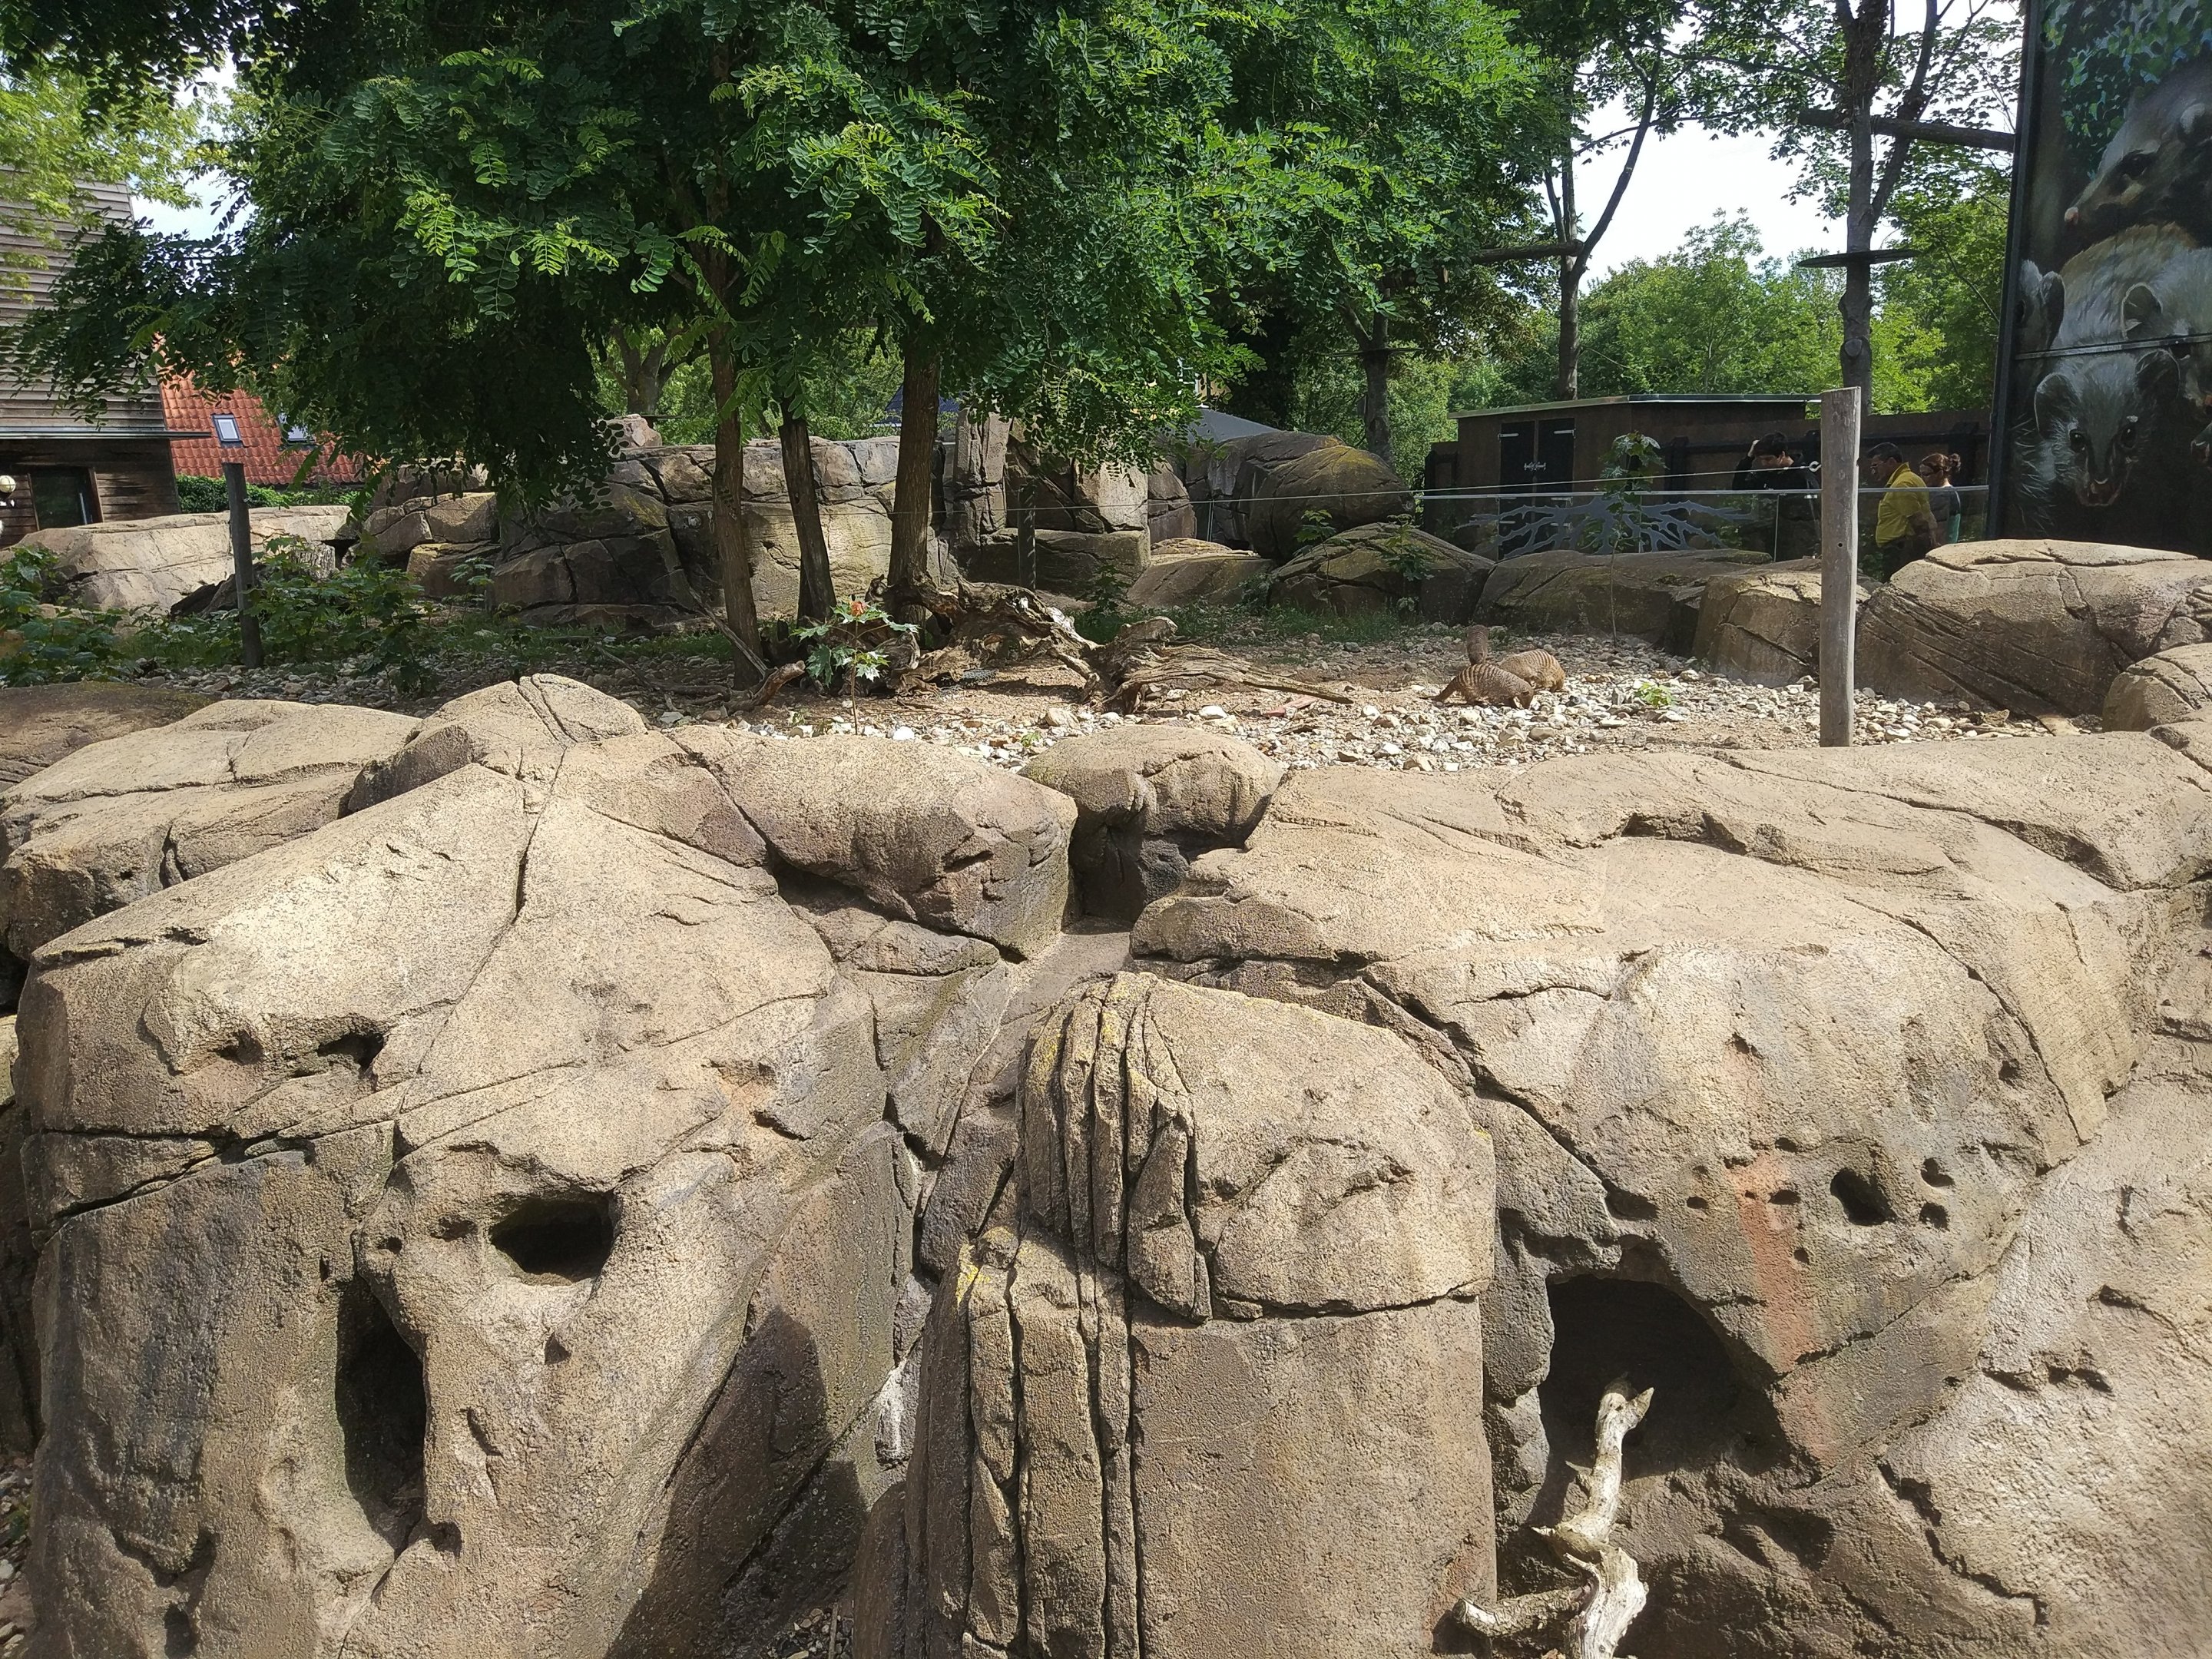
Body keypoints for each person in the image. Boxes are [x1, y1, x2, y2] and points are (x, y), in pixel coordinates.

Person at [1866, 442, 1937, 578]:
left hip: (1900, 549)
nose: (1873, 472)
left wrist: (1928, 546)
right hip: (1902, 547)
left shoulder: (1901, 485)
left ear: (1891, 462)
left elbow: (1918, 521)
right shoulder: (1911, 478)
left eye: (1875, 466)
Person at [1919, 452, 1963, 546]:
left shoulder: (1945, 495)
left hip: (1941, 547)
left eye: (1926, 474)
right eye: (1920, 475)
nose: (1921, 479)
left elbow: (1939, 529)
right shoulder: (1942, 492)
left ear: (1940, 474)